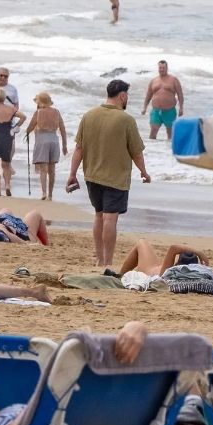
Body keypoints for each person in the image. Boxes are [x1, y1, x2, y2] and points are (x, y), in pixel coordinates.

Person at [66, 78, 150, 272]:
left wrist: (72, 174)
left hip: (92, 175)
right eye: (127, 95)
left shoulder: (89, 115)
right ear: (122, 96)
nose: (127, 98)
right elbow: (136, 152)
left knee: (98, 216)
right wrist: (144, 172)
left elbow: (79, 148)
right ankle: (108, 262)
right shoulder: (126, 119)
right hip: (116, 178)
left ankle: (99, 258)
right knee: (110, 219)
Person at [25, 90, 67, 201]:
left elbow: (30, 127)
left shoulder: (38, 113)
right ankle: (50, 195)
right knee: (52, 171)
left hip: (42, 140)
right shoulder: (57, 112)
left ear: (40, 102)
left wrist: (26, 133)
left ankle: (43, 193)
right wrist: (64, 145)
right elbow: (63, 129)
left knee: (43, 170)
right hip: (54, 140)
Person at [115, 240, 206, 278]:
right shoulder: (187, 276)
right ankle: (121, 274)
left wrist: (199, 253)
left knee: (141, 242)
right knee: (142, 244)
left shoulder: (168, 273)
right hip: (157, 269)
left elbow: (173, 248)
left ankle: (121, 275)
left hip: (148, 271)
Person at [143, 59, 184, 140]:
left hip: (170, 111)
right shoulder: (153, 81)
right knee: (153, 132)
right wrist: (144, 108)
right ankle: (152, 151)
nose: (161, 69)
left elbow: (180, 94)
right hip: (156, 111)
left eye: (163, 68)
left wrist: (181, 108)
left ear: (167, 68)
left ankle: (168, 152)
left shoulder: (173, 80)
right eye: (160, 68)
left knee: (170, 134)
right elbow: (148, 95)